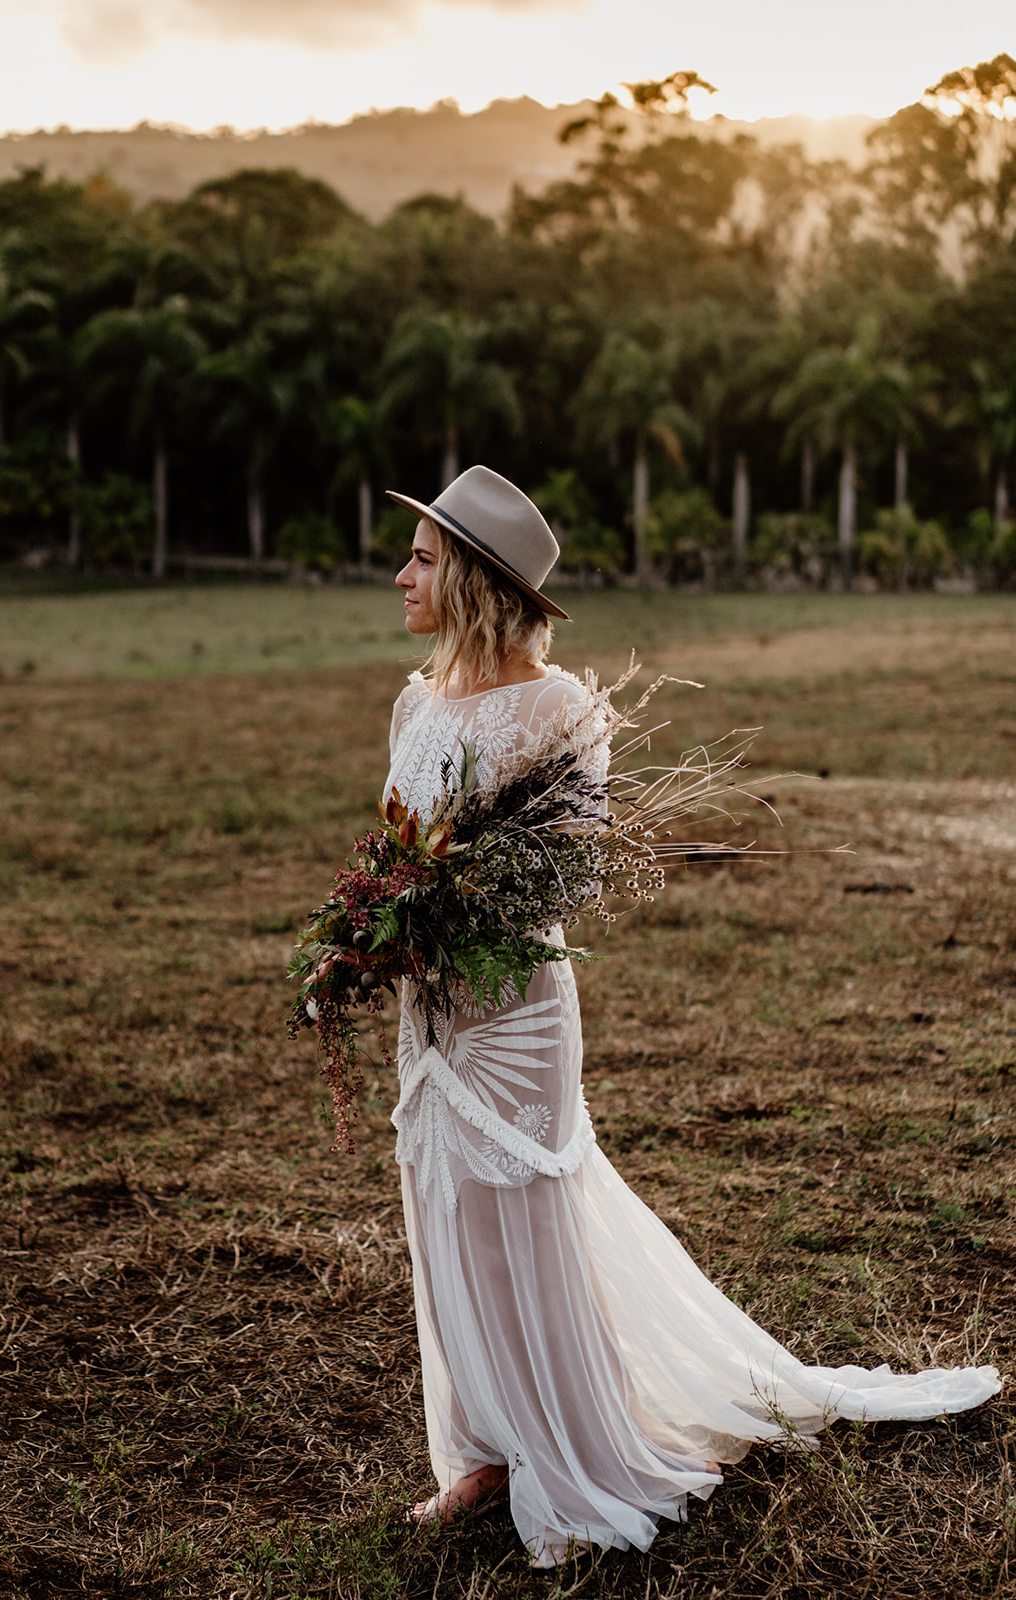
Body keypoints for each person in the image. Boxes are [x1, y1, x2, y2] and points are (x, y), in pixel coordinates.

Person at [382, 464, 1000, 1571]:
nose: (401, 575)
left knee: (523, 1221)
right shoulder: (414, 702)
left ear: (472, 578)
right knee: (444, 1217)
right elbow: (398, 841)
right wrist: (381, 917)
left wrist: (451, 900)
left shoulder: (559, 707)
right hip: (427, 1007)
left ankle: (569, 1454)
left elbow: (565, 876)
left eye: (422, 559)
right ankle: (479, 1450)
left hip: (512, 1008)